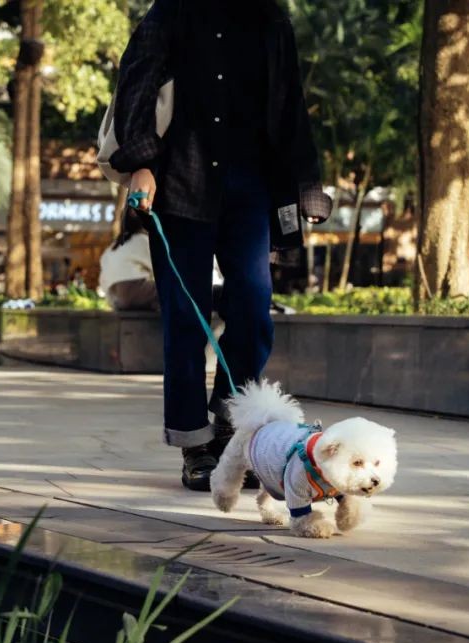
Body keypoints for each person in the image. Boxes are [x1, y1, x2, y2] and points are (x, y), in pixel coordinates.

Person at [111, 0, 332, 490]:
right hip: (180, 183)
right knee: (185, 321)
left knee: (254, 307)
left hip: (250, 186)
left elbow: (291, 101)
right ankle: (194, 445)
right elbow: (138, 84)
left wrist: (307, 183)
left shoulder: (271, 18)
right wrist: (141, 161)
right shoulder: (171, 12)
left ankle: (231, 418)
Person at [99, 210, 158, 311]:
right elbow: (159, 269)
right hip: (135, 292)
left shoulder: (113, 247)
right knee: (172, 287)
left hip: (116, 299)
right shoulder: (142, 240)